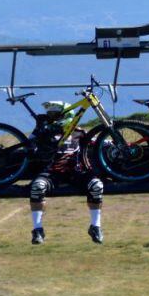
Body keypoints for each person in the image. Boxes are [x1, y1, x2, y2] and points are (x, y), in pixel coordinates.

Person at [28, 101, 104, 245]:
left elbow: (98, 141)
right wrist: (40, 130)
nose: (52, 118)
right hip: (51, 173)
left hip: (76, 171)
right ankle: (37, 230)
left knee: (97, 186)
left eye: (55, 115)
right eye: (50, 115)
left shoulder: (78, 131)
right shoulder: (44, 130)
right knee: (37, 187)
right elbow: (29, 144)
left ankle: (96, 226)